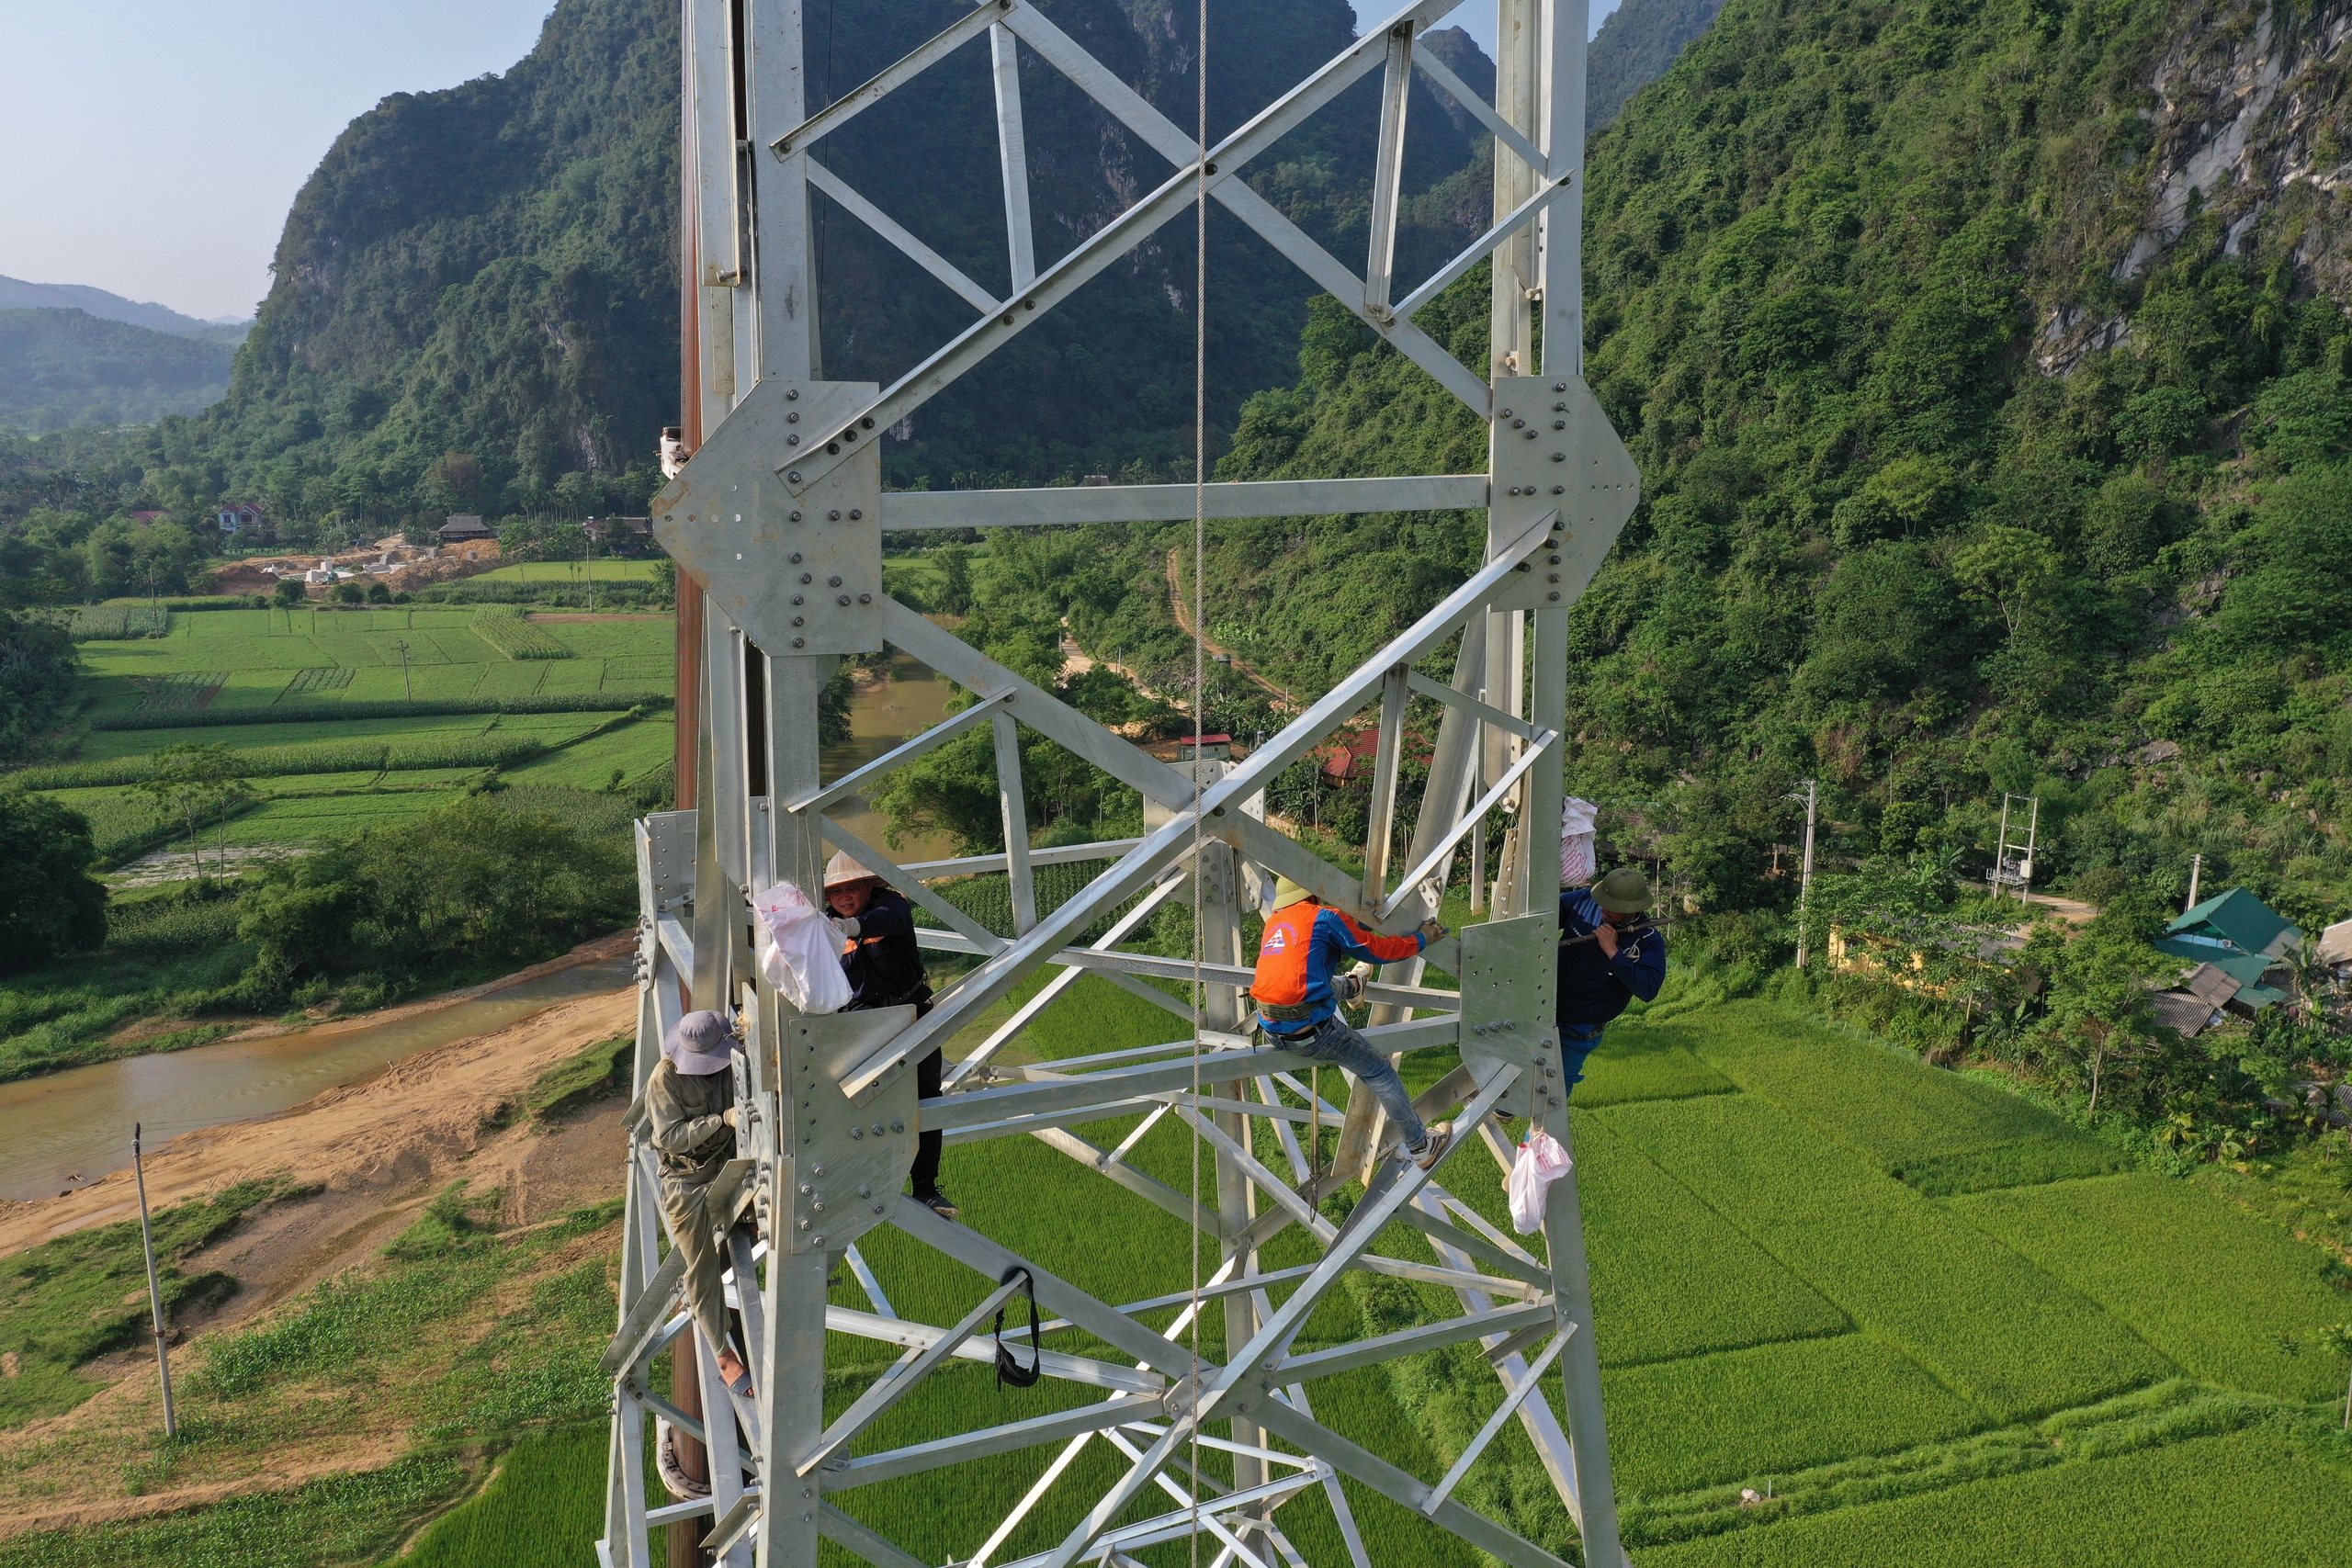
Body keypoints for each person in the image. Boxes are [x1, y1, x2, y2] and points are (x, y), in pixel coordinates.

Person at [1251, 875, 1454, 1170]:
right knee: (1380, 1072)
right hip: (1312, 1033)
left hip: (1270, 1027)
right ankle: (1421, 1146)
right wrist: (1421, 939)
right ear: (1316, 894)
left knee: (1307, 979)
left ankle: (1352, 986)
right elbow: (1377, 951)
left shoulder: (1273, 924)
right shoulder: (1324, 917)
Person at [823, 851, 956, 1219]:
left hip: (912, 1015)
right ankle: (869, 1184)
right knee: (866, 1104)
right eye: (837, 893)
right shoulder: (825, 924)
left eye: (853, 888)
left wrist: (850, 928)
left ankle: (927, 1188)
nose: (845, 898)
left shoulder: (888, 906)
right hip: (862, 1024)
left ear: (870, 886)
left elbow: (892, 917)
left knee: (926, 1099)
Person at [647, 1010, 753, 1395]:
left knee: (771, 1212)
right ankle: (723, 1353)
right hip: (686, 1178)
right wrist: (722, 1119)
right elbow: (672, 1137)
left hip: (729, 1158)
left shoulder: (734, 1055)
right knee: (699, 1265)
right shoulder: (664, 1079)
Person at [1555, 866, 1669, 1099]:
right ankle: (1504, 1110)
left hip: (1579, 1030)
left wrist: (1613, 952)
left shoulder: (1648, 941)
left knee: (1554, 1091)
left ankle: (1538, 1136)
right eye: (1602, 902)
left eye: (1613, 909)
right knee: (1516, 1067)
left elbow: (1648, 989)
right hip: (1542, 1009)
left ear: (1632, 909)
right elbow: (1543, 918)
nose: (1604, 910)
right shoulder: (1586, 900)